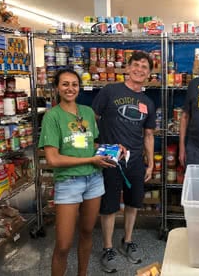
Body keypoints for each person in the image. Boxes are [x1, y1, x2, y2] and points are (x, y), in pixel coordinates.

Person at [38, 69, 116, 276]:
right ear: (57, 88)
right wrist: (90, 159)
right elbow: (53, 159)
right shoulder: (52, 116)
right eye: (65, 84)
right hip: (69, 182)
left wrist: (113, 150)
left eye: (74, 84)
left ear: (79, 87)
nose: (70, 88)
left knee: (87, 232)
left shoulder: (87, 111)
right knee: (63, 244)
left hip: (94, 180)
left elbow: (94, 143)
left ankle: (83, 273)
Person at [92, 51, 156, 273]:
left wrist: (150, 163)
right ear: (127, 68)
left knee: (133, 203)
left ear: (149, 73)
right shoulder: (110, 91)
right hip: (110, 158)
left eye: (145, 67)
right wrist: (96, 147)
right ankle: (108, 247)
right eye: (136, 65)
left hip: (135, 159)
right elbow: (94, 119)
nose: (140, 70)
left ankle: (127, 241)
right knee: (109, 205)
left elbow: (148, 134)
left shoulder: (148, 102)